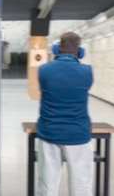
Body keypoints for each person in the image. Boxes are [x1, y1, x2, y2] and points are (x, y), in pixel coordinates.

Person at [36, 32, 94, 196]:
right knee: (81, 185)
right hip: (78, 135)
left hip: (49, 133)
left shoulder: (44, 70)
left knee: (47, 185)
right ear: (80, 51)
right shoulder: (87, 72)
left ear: (56, 49)